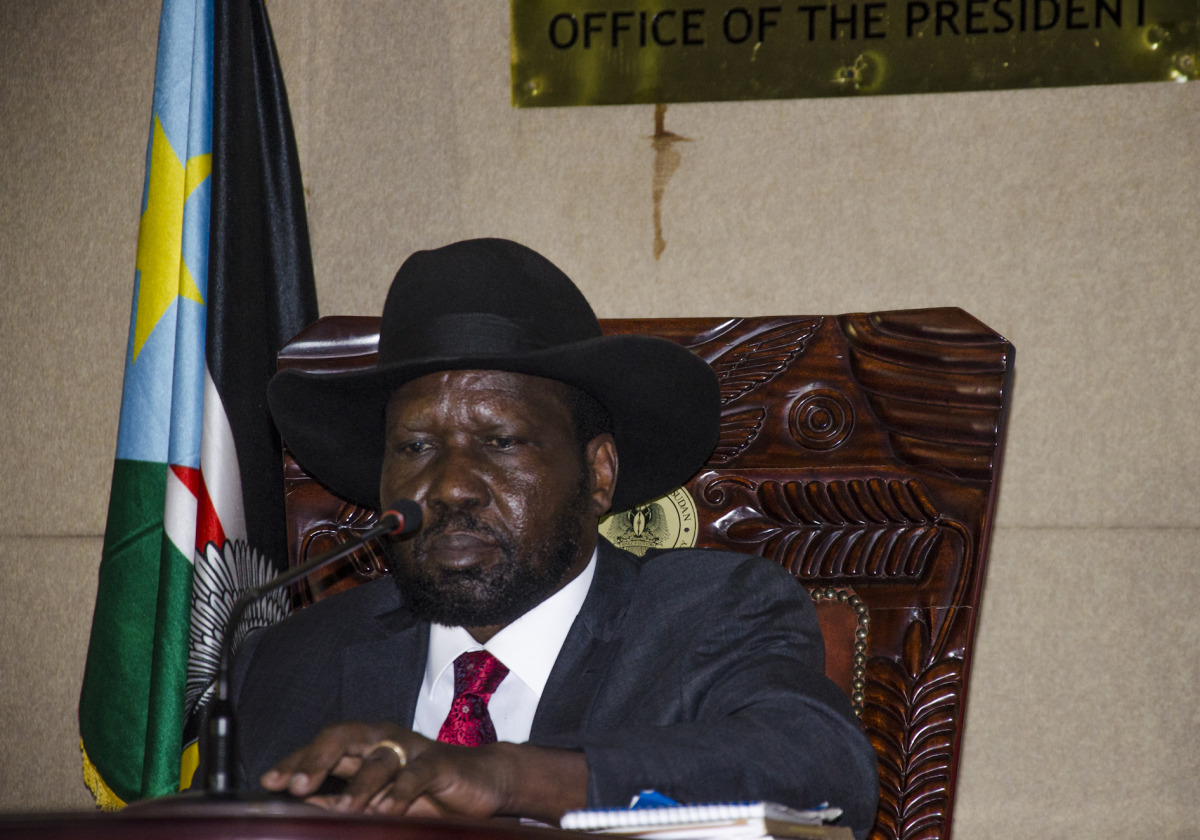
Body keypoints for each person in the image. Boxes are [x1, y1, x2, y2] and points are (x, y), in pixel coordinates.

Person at [240, 238, 879, 835]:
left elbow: (823, 771)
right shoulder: (292, 662)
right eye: (416, 446)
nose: (451, 487)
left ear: (598, 475)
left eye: (501, 442)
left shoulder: (705, 617)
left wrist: (505, 774)